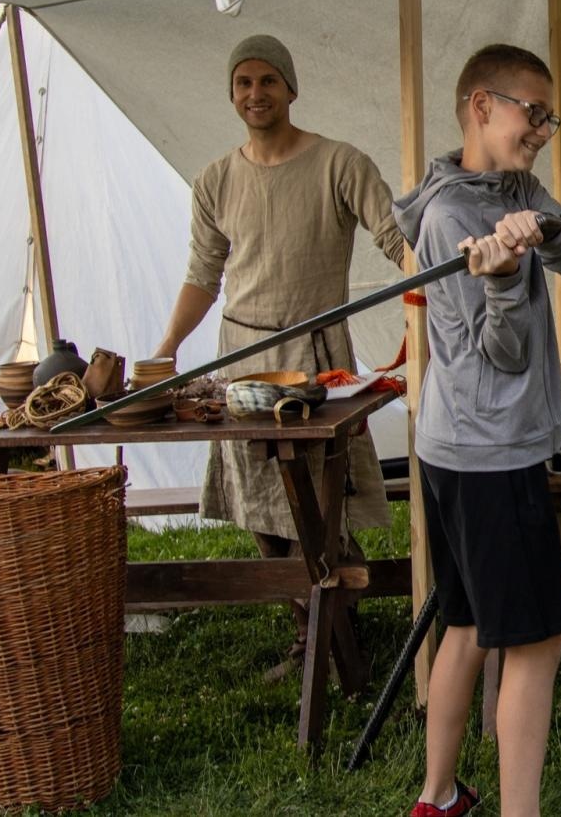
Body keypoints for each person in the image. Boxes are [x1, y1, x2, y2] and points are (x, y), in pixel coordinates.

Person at [393, 44, 561, 817]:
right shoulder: (450, 215)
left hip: (455, 449)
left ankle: (438, 798)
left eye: (550, 116)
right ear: (482, 106)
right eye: (533, 112)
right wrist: (505, 279)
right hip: (488, 459)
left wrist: (543, 231)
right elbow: (503, 354)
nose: (544, 128)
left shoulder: (511, 188)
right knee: (535, 641)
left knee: (469, 622)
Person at [155, 34, 407, 671]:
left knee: (322, 497)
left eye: (268, 81)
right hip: (243, 360)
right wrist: (166, 350)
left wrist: (435, 291)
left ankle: (337, 621)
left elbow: (394, 236)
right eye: (243, 82)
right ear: (231, 93)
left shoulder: (339, 163)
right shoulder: (215, 180)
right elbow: (203, 275)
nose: (255, 94)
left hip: (317, 360)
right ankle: (308, 630)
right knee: (261, 504)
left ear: (291, 88)